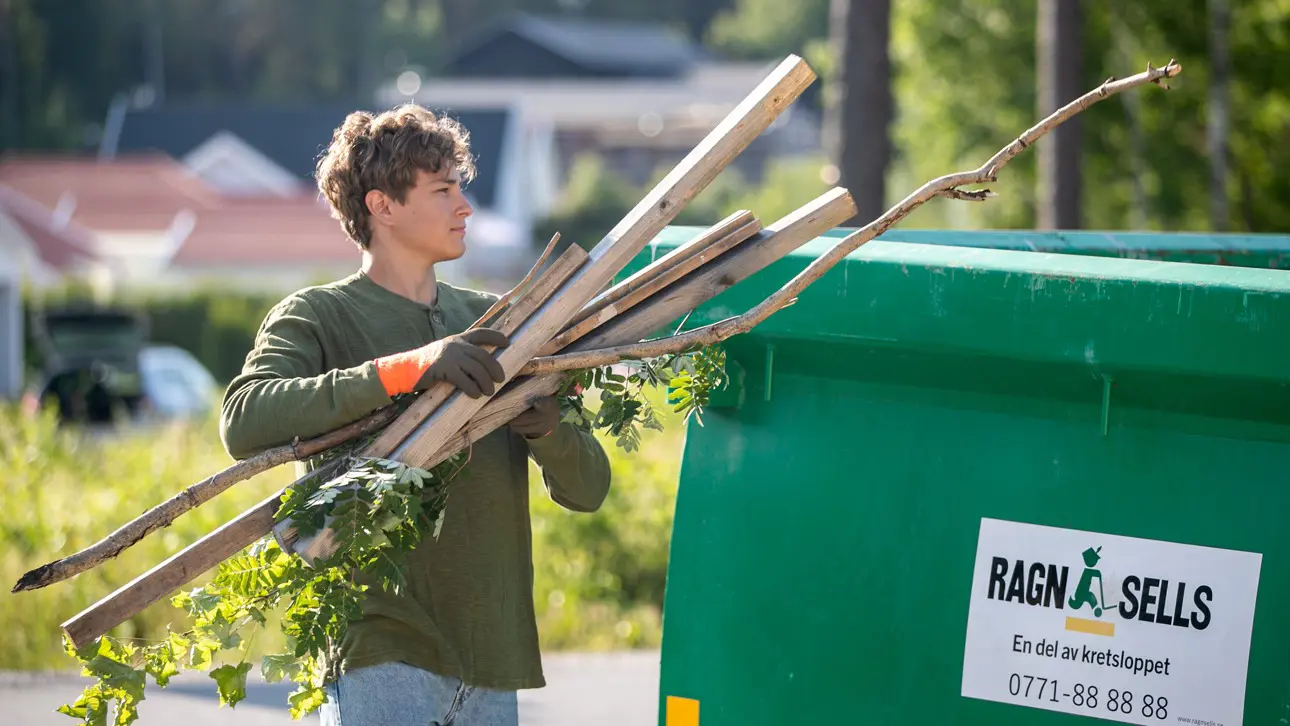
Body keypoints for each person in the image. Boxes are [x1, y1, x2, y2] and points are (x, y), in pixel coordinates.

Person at [219, 104, 613, 726]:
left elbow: (589, 488)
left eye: (461, 187)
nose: (465, 206)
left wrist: (545, 425)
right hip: (378, 645)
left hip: (492, 650)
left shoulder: (502, 324)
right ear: (383, 206)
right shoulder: (318, 315)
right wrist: (408, 369)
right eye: (443, 189)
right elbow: (243, 420)